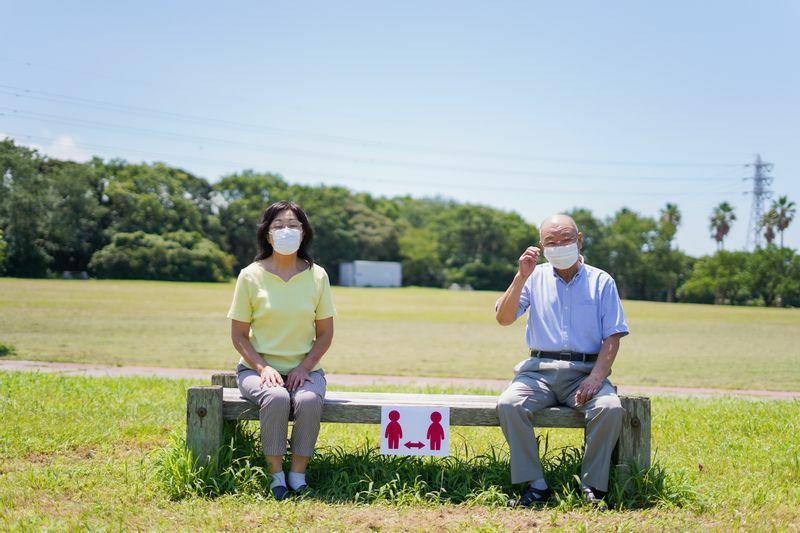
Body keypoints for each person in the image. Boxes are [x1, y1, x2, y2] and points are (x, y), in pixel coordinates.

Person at [495, 214, 629, 508]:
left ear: (579, 240)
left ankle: (592, 486)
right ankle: (536, 485)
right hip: (538, 373)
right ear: (542, 246)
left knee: (609, 407)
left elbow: (613, 336)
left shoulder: (601, 281)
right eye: (551, 242)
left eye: (566, 239)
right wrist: (521, 276)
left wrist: (596, 378)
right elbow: (504, 318)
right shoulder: (534, 277)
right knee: (509, 404)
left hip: (584, 372)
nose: (560, 246)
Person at [227, 200, 335, 501]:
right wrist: (263, 368)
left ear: (304, 233)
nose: (286, 230)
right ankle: (276, 476)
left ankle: (298, 475)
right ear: (267, 234)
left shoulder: (318, 276)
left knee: (310, 400)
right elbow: (238, 336)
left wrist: (304, 367)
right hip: (256, 369)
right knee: (275, 397)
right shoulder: (250, 275)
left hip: (305, 369)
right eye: (278, 225)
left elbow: (325, 334)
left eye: (293, 225)